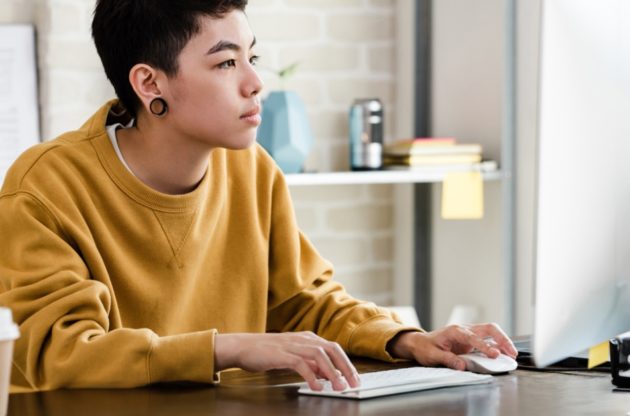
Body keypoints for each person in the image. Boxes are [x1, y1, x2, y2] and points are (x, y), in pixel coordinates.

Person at [0, 0, 517, 392]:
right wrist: (232, 347)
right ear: (149, 83)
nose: (254, 83)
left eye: (252, 57)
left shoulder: (253, 170)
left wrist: (405, 338)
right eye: (226, 64)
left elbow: (304, 303)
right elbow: (61, 356)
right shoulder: (45, 187)